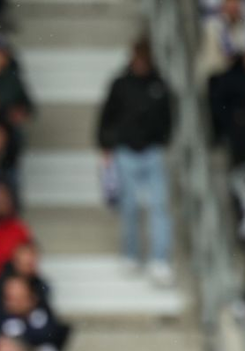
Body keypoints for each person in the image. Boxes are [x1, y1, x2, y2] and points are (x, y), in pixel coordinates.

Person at [96, 39, 174, 284]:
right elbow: (107, 115)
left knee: (159, 205)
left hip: (151, 151)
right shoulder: (120, 84)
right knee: (129, 206)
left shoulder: (159, 85)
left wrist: (161, 139)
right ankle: (130, 253)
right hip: (126, 151)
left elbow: (169, 117)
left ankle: (159, 258)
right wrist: (106, 144)